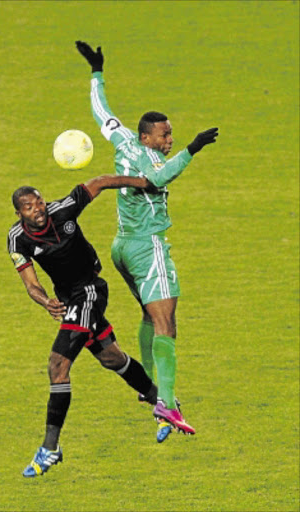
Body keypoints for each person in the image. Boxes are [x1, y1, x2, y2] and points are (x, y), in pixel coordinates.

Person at [76, 40, 219, 443]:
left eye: (172, 134)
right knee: (166, 323)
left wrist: (97, 71)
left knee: (146, 315)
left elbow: (101, 112)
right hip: (147, 247)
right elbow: (158, 177)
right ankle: (167, 403)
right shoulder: (150, 158)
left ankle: (150, 391)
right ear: (146, 137)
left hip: (121, 247)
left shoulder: (122, 139)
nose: (169, 139)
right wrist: (192, 149)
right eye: (164, 135)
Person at [7, 174, 158, 477]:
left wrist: (143, 183)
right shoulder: (17, 239)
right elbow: (30, 284)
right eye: (28, 207)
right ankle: (162, 400)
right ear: (19, 213)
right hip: (67, 300)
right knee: (111, 358)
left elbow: (99, 183)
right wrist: (45, 300)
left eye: (39, 201)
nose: (37, 209)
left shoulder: (63, 210)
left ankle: (50, 448)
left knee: (57, 365)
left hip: (90, 290)